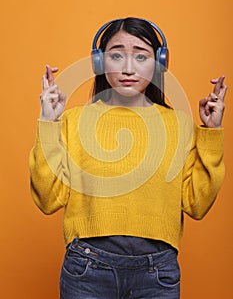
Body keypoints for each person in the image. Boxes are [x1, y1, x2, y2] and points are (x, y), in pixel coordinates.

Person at [29, 17, 227, 299]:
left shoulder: (179, 125)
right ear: (99, 62)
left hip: (157, 273)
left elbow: (196, 204)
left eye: (141, 56)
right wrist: (49, 123)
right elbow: (48, 200)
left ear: (160, 63)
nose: (128, 68)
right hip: (87, 269)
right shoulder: (74, 121)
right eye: (117, 55)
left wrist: (212, 131)